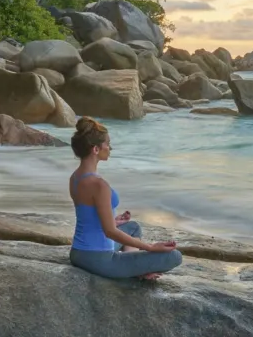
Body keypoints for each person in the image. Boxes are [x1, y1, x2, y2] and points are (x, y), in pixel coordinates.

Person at [68, 117, 182, 280]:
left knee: (133, 227)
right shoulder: (99, 185)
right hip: (99, 259)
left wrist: (113, 220)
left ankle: (136, 270)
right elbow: (110, 232)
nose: (110, 147)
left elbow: (90, 217)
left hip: (78, 252)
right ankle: (135, 271)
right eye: (107, 143)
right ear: (95, 149)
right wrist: (150, 247)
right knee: (174, 256)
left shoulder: (75, 178)